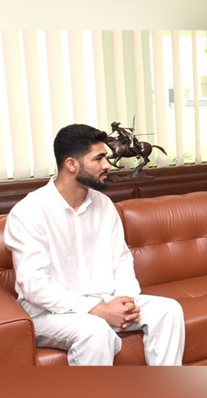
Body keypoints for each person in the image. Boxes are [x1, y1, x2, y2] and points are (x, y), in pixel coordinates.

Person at [4, 124, 185, 366]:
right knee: (95, 330)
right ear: (71, 164)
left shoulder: (104, 204)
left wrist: (125, 300)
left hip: (106, 299)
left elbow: (121, 260)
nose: (107, 165)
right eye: (99, 158)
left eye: (106, 158)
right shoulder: (28, 212)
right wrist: (97, 309)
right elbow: (35, 286)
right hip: (49, 313)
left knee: (168, 311)